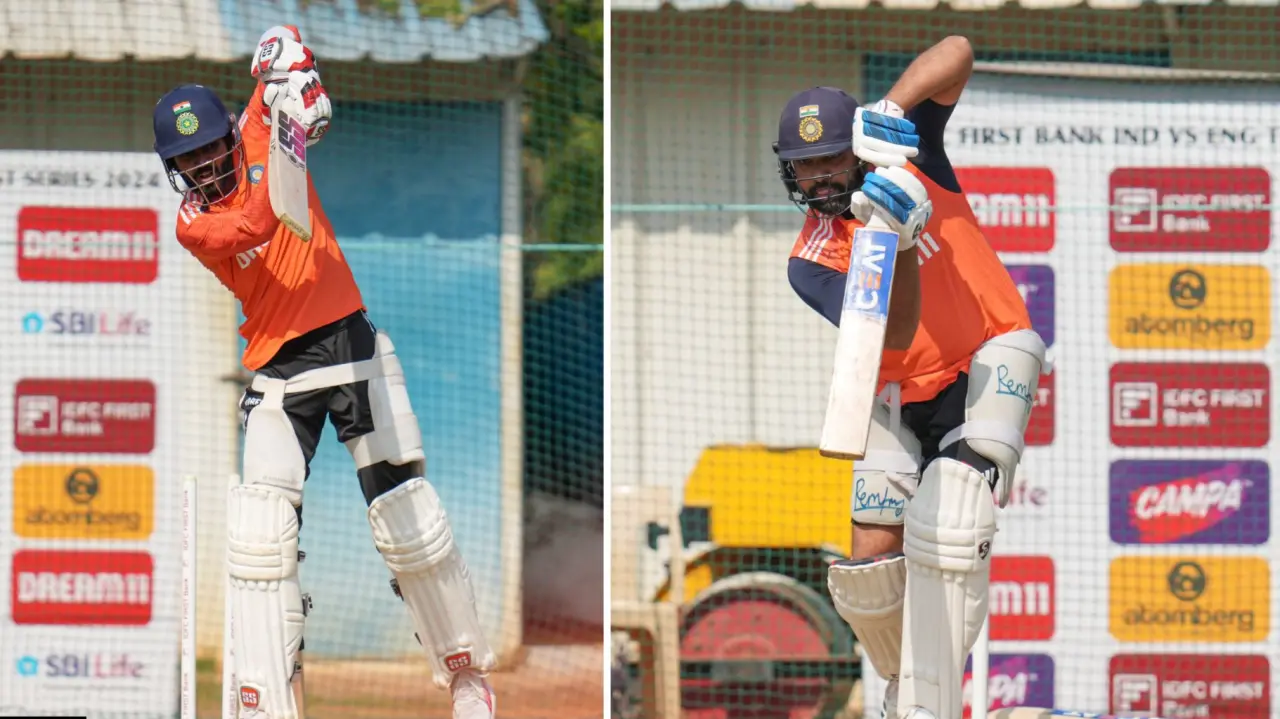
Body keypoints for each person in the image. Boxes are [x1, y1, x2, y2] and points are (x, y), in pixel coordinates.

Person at [151, 25, 496, 719]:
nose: (207, 167)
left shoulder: (253, 128)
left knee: (409, 515)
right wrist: (289, 135)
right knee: (259, 536)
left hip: (351, 345)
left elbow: (283, 45)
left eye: (212, 149)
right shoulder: (194, 224)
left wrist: (291, 76)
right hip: (278, 369)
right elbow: (258, 219)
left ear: (226, 136)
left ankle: (466, 678)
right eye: (190, 161)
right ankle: (267, 704)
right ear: (177, 171)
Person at [772, 36, 1049, 719]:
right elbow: (893, 334)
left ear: (860, 147)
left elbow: (958, 49)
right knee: (867, 571)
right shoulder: (810, 260)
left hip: (989, 352)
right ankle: (913, 689)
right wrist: (894, 241)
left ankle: (926, 697)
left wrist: (891, 110)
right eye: (804, 168)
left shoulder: (913, 154)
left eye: (832, 158)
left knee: (949, 516)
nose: (820, 180)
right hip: (896, 390)